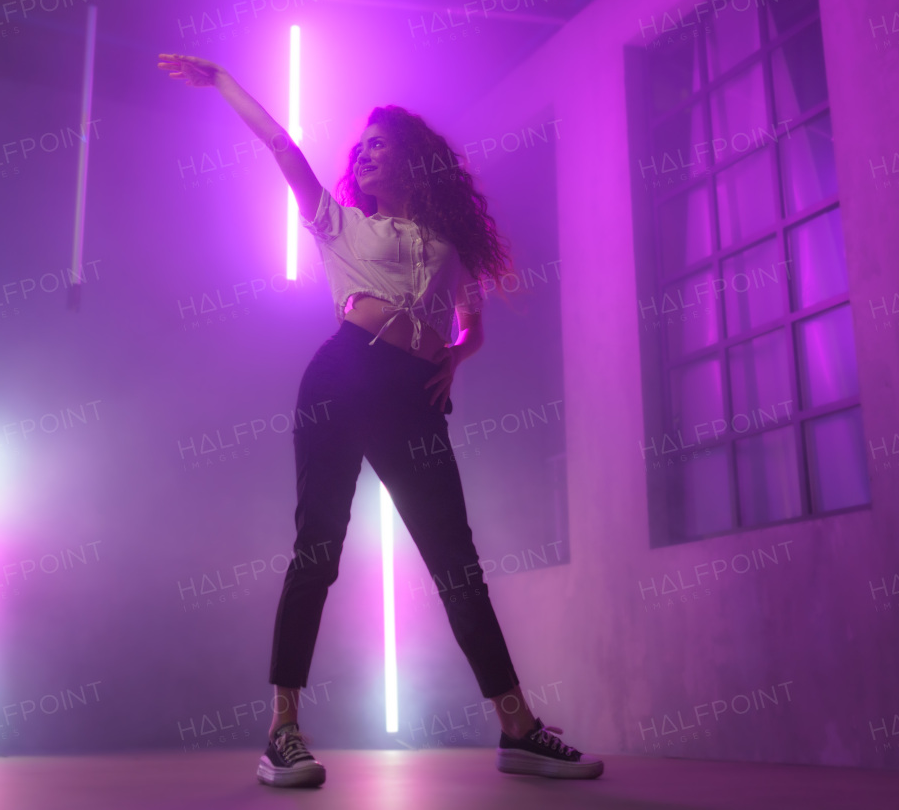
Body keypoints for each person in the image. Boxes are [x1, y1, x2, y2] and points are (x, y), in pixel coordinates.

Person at [157, 53, 603, 787]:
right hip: (341, 379)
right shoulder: (338, 223)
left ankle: (519, 729)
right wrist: (225, 81)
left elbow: (472, 323)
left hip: (413, 401)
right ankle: (284, 731)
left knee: (459, 568)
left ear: (411, 161)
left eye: (378, 146)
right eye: (359, 149)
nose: (362, 156)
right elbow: (281, 146)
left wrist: (454, 359)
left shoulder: (450, 248)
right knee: (318, 553)